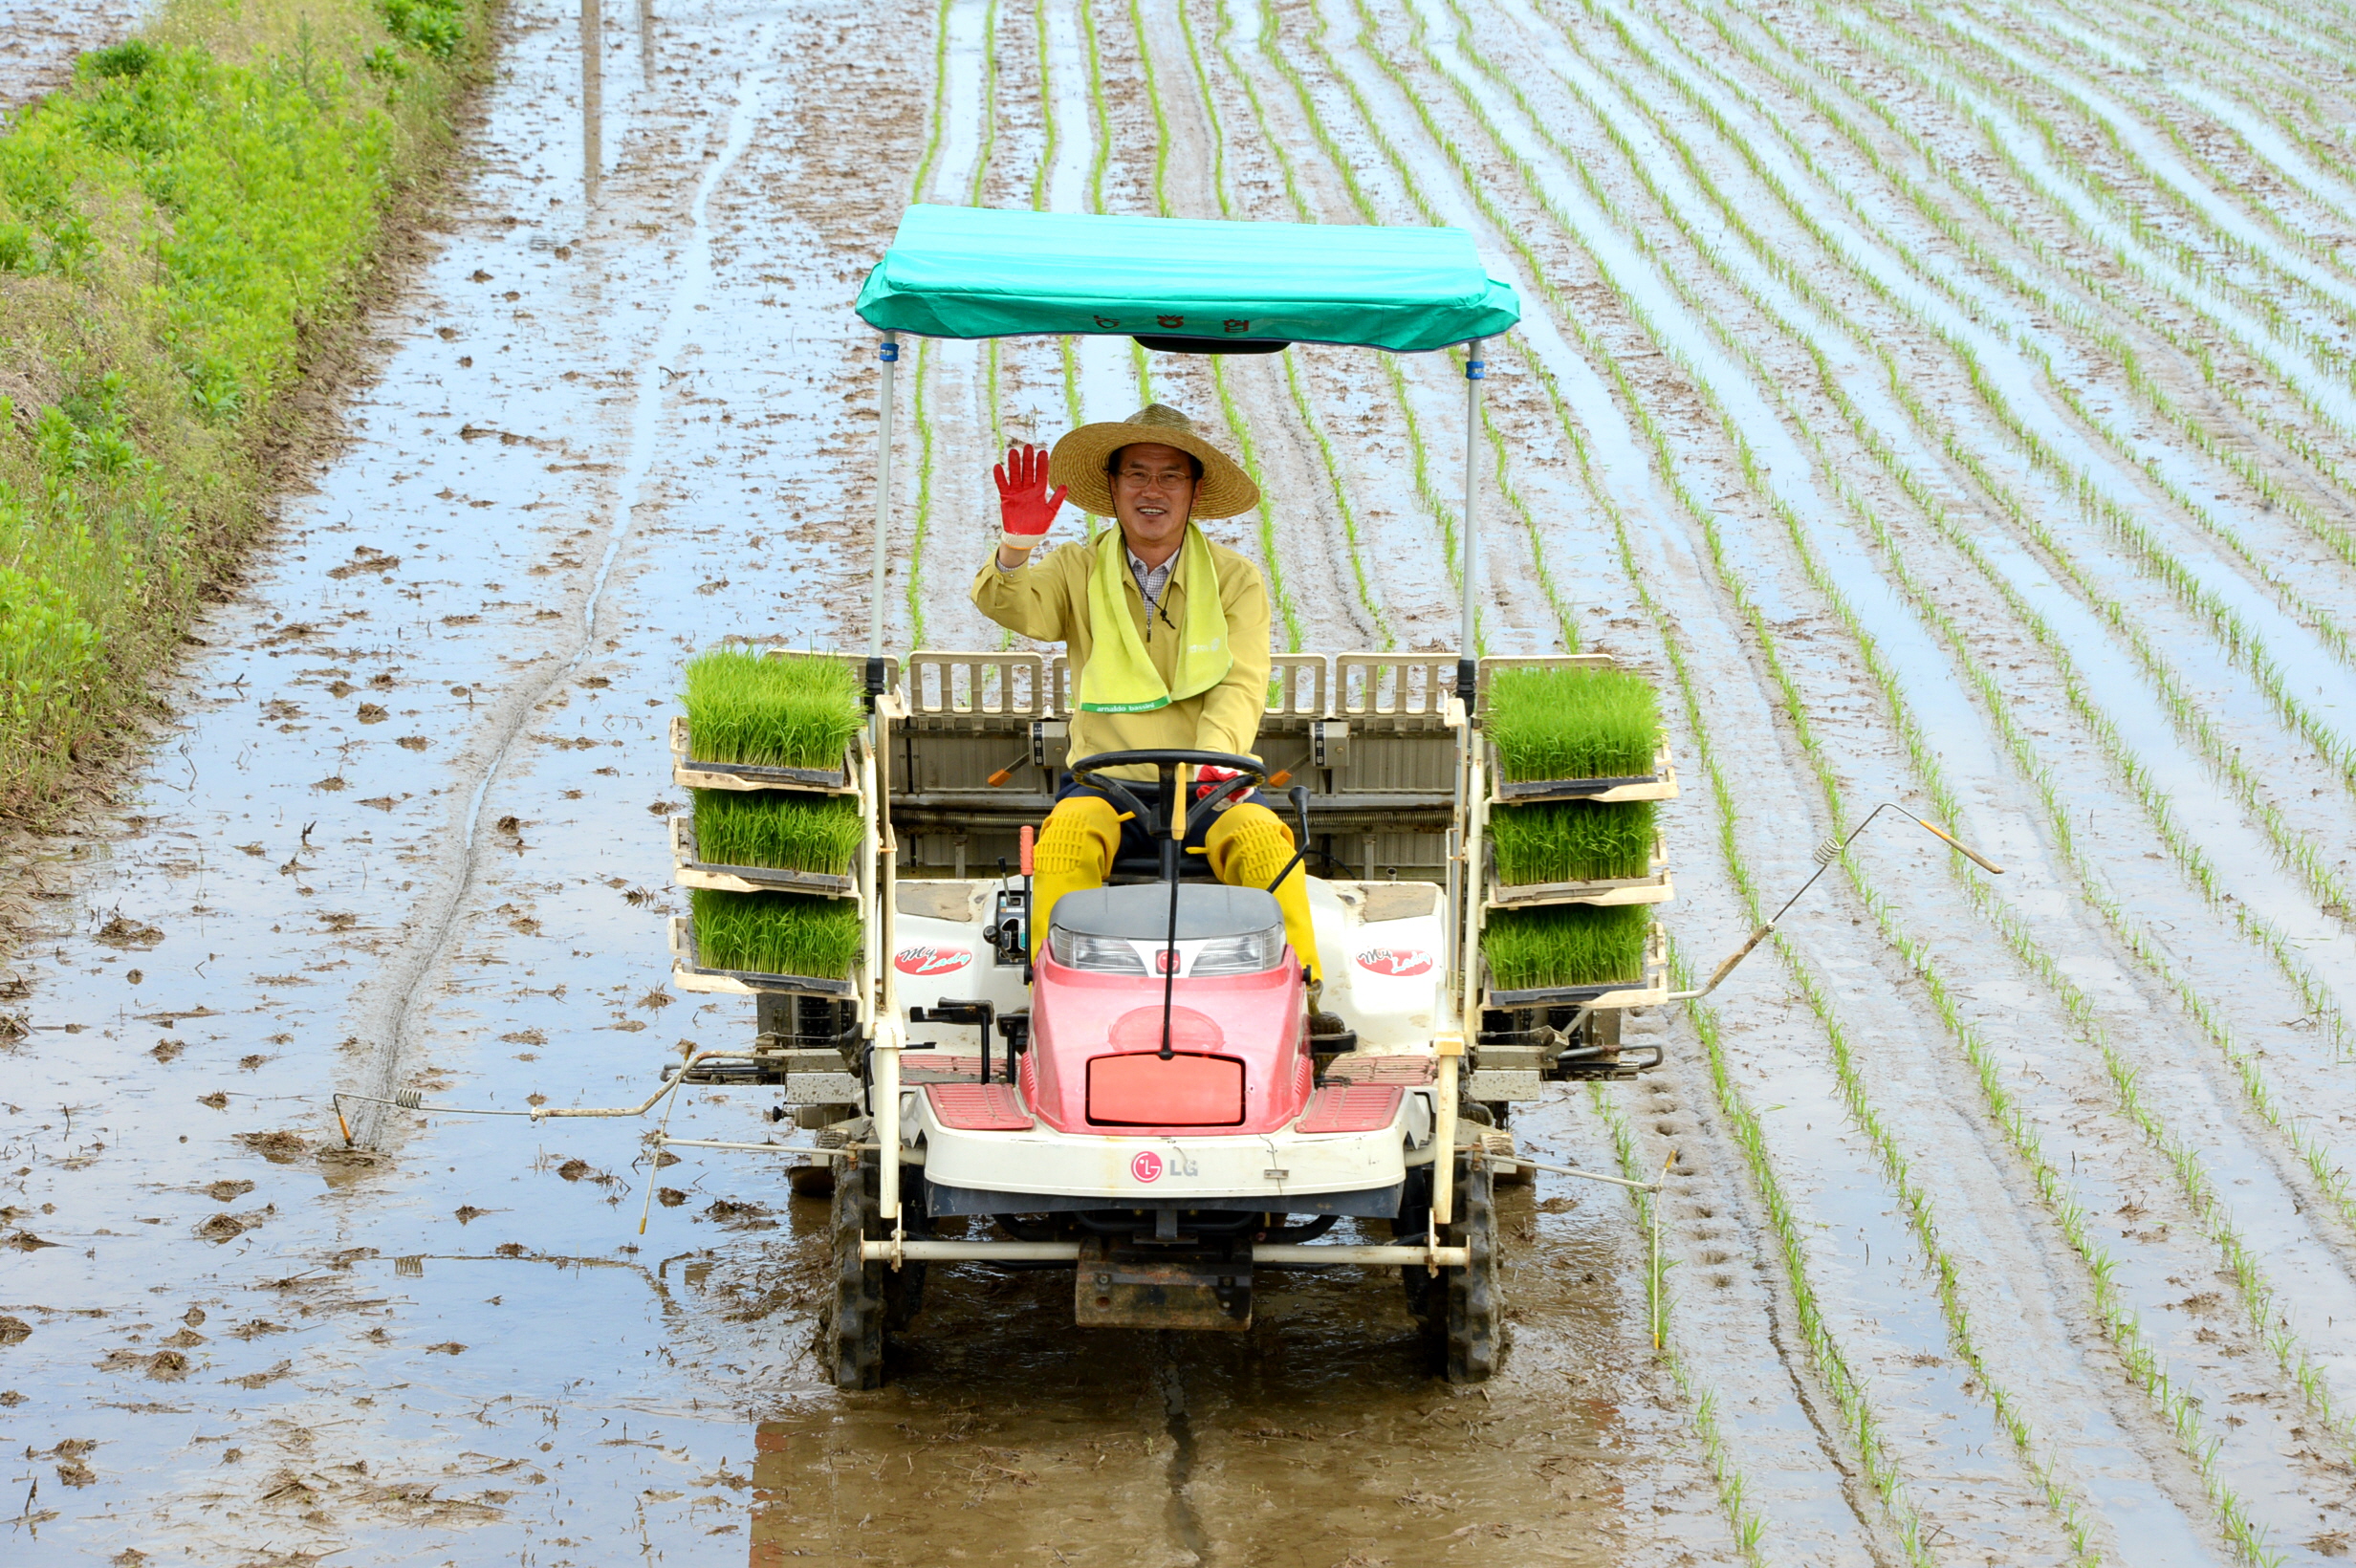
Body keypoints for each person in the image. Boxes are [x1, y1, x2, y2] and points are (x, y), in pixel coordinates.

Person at [970, 403, 1322, 992]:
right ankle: (1047, 998)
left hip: (1210, 786)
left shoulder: (1235, 579)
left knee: (1264, 842)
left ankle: (1304, 995)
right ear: (1112, 486)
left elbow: (1240, 683)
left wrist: (1215, 761)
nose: (1151, 491)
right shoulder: (1076, 567)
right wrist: (1015, 547)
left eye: (1169, 476)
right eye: (1136, 474)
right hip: (1106, 787)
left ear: (1194, 490)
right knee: (1064, 842)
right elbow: (1015, 607)